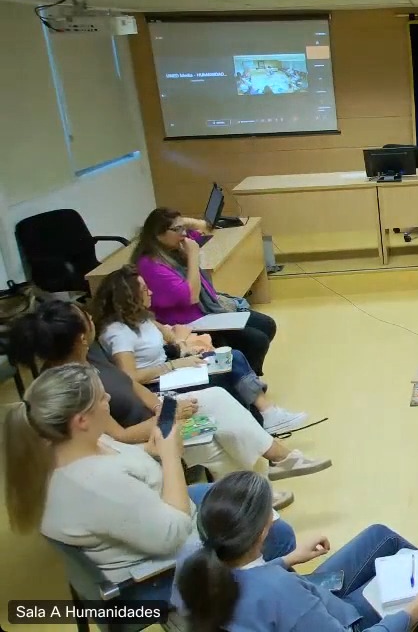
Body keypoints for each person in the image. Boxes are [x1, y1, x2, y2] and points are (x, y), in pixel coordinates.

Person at [2, 364, 297, 603]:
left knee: (246, 495)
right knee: (277, 534)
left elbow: (123, 468)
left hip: (153, 517)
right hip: (158, 576)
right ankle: (269, 606)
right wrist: (170, 456)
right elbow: (174, 534)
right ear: (81, 420)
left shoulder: (69, 446)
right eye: (103, 398)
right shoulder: (95, 485)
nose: (109, 401)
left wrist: (151, 450)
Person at [8, 300, 329, 494]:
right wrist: (168, 418)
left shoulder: (89, 357)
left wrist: (165, 406)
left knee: (215, 397)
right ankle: (262, 485)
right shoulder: (74, 387)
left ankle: (273, 467)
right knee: (211, 440)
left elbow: (132, 386)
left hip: (157, 418)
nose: (92, 319)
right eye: (86, 318)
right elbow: (117, 437)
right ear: (80, 336)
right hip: (140, 441)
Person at [174, 471, 418, 632]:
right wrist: (414, 610)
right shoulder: (279, 590)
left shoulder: (193, 564)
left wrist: (287, 560)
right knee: (412, 582)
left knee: (379, 536)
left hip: (305, 607)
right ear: (262, 532)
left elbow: (247, 581)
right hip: (342, 622)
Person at [91, 265, 308, 434]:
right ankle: (263, 419)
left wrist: (184, 347)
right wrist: (174, 364)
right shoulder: (118, 332)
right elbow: (130, 377)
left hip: (169, 367)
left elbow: (172, 334)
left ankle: (266, 414)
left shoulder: (141, 317)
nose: (150, 292)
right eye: (143, 289)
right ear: (128, 297)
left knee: (232, 357)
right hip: (156, 383)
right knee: (225, 373)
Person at [132, 208, 278, 376]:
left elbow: (206, 228)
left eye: (183, 227)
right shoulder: (151, 265)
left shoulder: (175, 246)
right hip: (187, 323)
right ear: (158, 234)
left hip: (205, 312)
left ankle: (246, 374)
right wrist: (193, 256)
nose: (184, 232)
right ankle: (244, 380)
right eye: (177, 229)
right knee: (256, 340)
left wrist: (181, 221)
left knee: (266, 324)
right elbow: (192, 296)